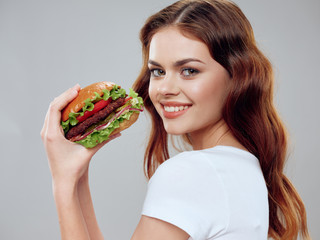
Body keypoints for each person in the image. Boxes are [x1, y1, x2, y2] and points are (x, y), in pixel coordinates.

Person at [41, 0, 310, 239]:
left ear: (237, 77)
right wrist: (78, 178)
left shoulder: (192, 172)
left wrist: (62, 183)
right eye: (157, 71)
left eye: (189, 70)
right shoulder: (242, 166)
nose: (164, 89)